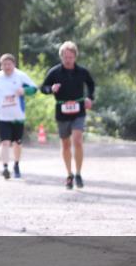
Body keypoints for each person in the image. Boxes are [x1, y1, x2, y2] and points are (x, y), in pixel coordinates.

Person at [40, 41, 95, 190]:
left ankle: (78, 173)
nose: (68, 59)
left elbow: (91, 84)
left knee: (77, 141)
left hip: (79, 111)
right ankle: (69, 174)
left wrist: (90, 98)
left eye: (70, 57)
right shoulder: (55, 72)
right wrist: (51, 89)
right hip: (62, 111)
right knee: (65, 144)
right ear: (61, 57)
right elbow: (43, 88)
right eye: (65, 57)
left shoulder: (82, 72)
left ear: (75, 57)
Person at [0, 53, 38, 179]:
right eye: (4, 64)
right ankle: (5, 167)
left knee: (17, 142)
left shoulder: (20, 76)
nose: (7, 67)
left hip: (18, 116)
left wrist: (24, 91)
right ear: (1, 66)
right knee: (4, 142)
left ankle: (17, 165)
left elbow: (34, 88)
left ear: (14, 64)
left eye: (9, 64)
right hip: (2, 116)